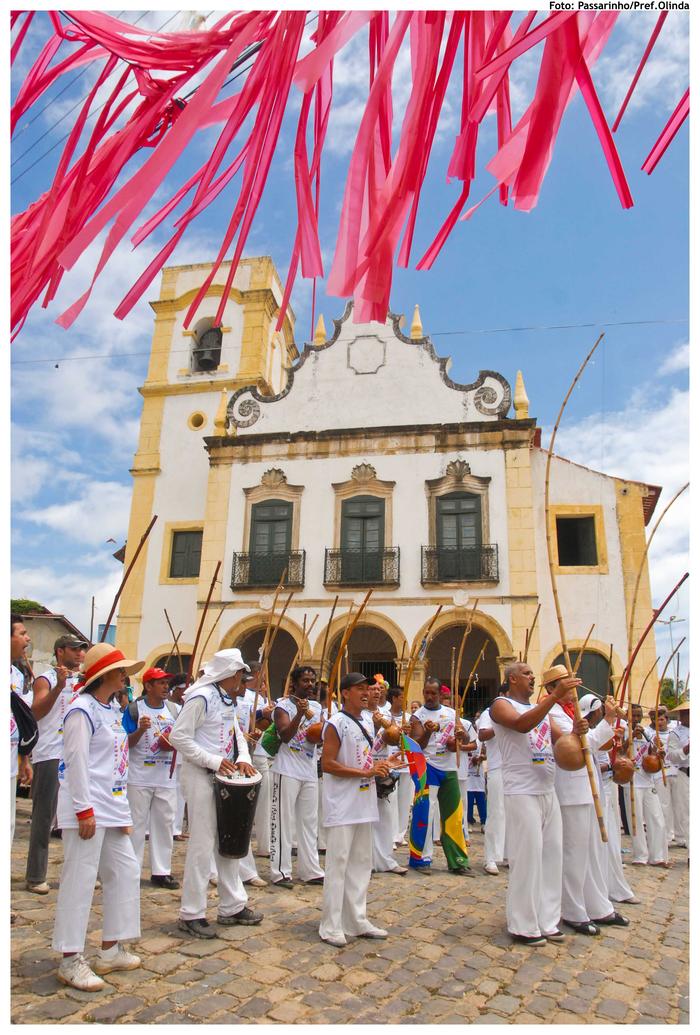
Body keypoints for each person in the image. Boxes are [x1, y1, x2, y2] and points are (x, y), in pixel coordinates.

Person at [52, 643, 144, 991]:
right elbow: (75, 762)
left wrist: (122, 814)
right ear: (106, 675)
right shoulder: (81, 710)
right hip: (86, 808)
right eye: (121, 670)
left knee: (125, 869)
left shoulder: (109, 710)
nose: (125, 675)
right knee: (80, 879)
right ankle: (70, 957)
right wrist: (83, 809)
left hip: (111, 806)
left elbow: (116, 767)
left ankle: (112, 947)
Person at [169, 649, 263, 937]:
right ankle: (192, 912)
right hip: (200, 775)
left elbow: (236, 733)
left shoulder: (226, 699)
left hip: (224, 776)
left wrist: (244, 757)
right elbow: (178, 737)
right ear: (230, 674)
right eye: (239, 674)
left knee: (228, 838)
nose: (241, 680)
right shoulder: (201, 697)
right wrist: (212, 760)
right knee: (202, 843)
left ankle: (232, 905)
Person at [490, 662, 576, 946]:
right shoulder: (500, 705)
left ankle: (547, 920)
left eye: (532, 673)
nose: (532, 677)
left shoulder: (544, 711)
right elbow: (521, 724)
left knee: (552, 856)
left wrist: (578, 732)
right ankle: (523, 924)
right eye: (527, 673)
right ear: (512, 678)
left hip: (547, 788)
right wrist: (553, 697)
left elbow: (560, 742)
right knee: (527, 857)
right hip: (521, 790)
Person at [547, 672, 629, 935]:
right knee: (575, 852)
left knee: (594, 852)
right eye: (565, 681)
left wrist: (609, 720)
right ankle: (572, 910)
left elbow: (594, 745)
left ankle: (598, 906)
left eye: (573, 680)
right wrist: (607, 719)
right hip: (572, 790)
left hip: (590, 789)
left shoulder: (571, 711)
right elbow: (576, 745)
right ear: (552, 687)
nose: (573, 686)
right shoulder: (553, 714)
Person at [319, 672, 392, 946]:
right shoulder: (336, 723)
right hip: (342, 803)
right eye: (359, 689)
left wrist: (385, 764)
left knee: (361, 863)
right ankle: (331, 924)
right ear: (345, 693)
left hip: (364, 801)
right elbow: (328, 763)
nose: (366, 693)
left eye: (368, 688)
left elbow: (366, 759)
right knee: (338, 863)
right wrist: (366, 771)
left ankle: (356, 919)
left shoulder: (367, 723)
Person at [25, 634, 88, 894]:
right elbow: (36, 711)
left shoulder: (84, 681)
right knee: (44, 817)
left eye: (82, 649)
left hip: (76, 753)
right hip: (51, 752)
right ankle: (35, 874)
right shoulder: (46, 678)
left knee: (80, 815)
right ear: (60, 651)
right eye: (74, 649)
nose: (80, 654)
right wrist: (59, 687)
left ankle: (80, 872)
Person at [408, 677, 474, 876]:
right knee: (425, 814)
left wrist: (462, 735)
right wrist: (428, 733)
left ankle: (458, 860)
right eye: (426, 693)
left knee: (454, 815)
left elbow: (467, 738)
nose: (429, 697)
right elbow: (416, 744)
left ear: (440, 695)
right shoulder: (417, 716)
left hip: (449, 769)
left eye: (433, 693)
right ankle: (420, 859)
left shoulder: (451, 714)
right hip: (427, 767)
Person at [122, 667, 180, 890]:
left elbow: (181, 737)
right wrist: (140, 730)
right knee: (136, 824)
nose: (166, 687)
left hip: (166, 776)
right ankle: (131, 869)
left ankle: (161, 870)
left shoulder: (174, 710)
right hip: (139, 776)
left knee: (164, 824)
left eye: (167, 683)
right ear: (148, 686)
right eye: (160, 683)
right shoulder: (135, 709)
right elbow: (126, 742)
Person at [269, 666, 325, 888]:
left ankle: (310, 869)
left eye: (312, 681)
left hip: (309, 768)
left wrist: (319, 735)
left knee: (309, 822)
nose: (310, 685)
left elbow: (319, 738)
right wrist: (300, 714)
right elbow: (284, 736)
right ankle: (280, 871)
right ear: (294, 682)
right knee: (283, 820)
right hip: (287, 769)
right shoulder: (282, 707)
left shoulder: (317, 707)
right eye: (305, 680)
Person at [582, 694, 639, 906]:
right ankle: (604, 889)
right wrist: (610, 765)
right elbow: (592, 755)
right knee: (604, 841)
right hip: (594, 789)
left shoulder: (599, 731)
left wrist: (619, 746)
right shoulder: (586, 732)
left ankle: (615, 888)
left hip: (606, 787)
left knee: (612, 840)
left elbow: (609, 751)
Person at [367, 683, 407, 875]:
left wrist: (396, 731)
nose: (376, 691)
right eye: (372, 688)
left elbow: (395, 738)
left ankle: (385, 859)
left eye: (379, 689)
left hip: (384, 767)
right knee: (365, 818)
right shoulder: (357, 714)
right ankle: (367, 859)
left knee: (385, 816)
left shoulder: (386, 715)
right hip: (364, 770)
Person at [624, 703, 669, 867]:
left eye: (638, 716)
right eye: (633, 716)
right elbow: (619, 753)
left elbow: (652, 755)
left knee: (656, 818)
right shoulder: (621, 730)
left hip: (647, 780)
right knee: (636, 819)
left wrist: (658, 753)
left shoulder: (648, 733)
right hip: (631, 781)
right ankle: (640, 856)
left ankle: (657, 856)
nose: (636, 719)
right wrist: (630, 739)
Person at [477, 686, 507, 876]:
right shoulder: (491, 713)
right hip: (498, 767)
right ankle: (491, 857)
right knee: (496, 812)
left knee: (515, 814)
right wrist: (501, 724)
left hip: (517, 769)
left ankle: (510, 854)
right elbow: (482, 734)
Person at [11, 616, 34, 847]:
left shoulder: (17, 676)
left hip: (10, 764)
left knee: (8, 825)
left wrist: (24, 759)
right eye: (22, 633)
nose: (28, 639)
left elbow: (18, 720)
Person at [665, 701, 689, 849]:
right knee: (687, 813)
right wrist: (687, 749)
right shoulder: (675, 733)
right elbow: (672, 756)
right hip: (686, 774)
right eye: (684, 713)